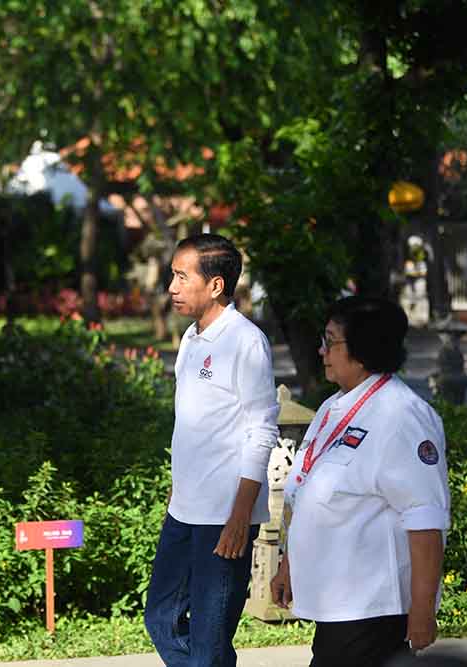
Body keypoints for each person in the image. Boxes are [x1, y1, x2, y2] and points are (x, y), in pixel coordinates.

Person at [270, 297, 450, 667]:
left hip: (374, 608)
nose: (322, 351)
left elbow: (425, 520)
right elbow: (304, 490)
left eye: (331, 341)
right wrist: (289, 565)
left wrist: (421, 610)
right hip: (339, 605)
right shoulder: (334, 407)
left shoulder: (402, 416)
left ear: (364, 350)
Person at [144, 233, 280, 667]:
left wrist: (241, 516)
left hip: (224, 517)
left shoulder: (246, 342)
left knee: (209, 640)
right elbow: (192, 427)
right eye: (172, 276)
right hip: (184, 510)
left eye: (182, 277)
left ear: (216, 285)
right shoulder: (190, 339)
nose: (172, 287)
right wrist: (176, 490)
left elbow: (262, 430)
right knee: (160, 619)